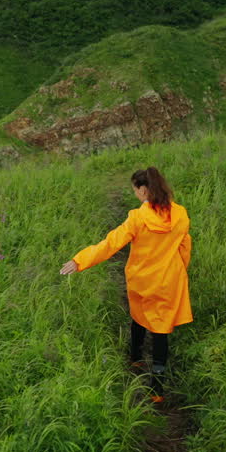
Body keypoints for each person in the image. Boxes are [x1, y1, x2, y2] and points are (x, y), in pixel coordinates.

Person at [60, 167, 192, 403]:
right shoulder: (180, 214)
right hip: (169, 281)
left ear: (143, 190)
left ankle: (136, 358)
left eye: (135, 190)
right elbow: (184, 248)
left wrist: (79, 260)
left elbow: (110, 244)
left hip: (142, 280)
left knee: (138, 316)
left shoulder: (138, 218)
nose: (135, 194)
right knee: (161, 331)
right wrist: (179, 271)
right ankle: (157, 390)